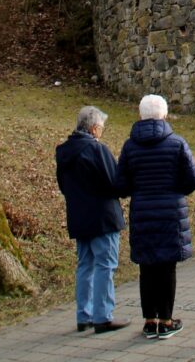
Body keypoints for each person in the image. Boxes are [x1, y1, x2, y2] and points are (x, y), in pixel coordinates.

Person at [116, 94, 195, 340]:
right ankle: (166, 319)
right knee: (167, 267)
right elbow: (193, 179)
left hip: (142, 210)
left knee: (147, 267)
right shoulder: (177, 143)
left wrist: (138, 189)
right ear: (164, 114)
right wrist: (177, 191)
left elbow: (121, 184)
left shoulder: (130, 146)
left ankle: (149, 319)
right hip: (170, 211)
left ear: (139, 115)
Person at [55, 107, 129, 335]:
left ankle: (83, 315)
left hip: (79, 215)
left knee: (85, 265)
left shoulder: (64, 152)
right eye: (101, 128)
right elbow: (114, 181)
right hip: (103, 216)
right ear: (94, 128)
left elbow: (63, 186)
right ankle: (103, 317)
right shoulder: (97, 150)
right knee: (105, 265)